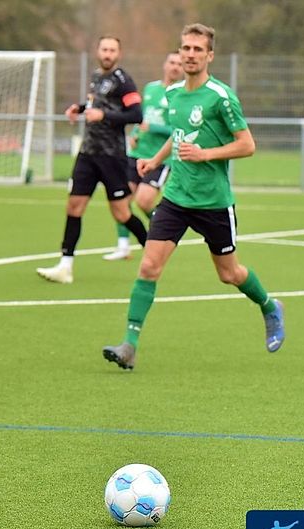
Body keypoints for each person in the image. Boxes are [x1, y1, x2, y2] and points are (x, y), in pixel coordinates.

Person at [102, 24, 285, 370]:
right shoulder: (172, 95)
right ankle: (129, 345)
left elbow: (247, 145)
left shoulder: (221, 95)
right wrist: (155, 160)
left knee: (229, 274)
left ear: (209, 56)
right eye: (185, 48)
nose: (190, 54)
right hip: (175, 197)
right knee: (149, 265)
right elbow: (179, 133)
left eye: (197, 49)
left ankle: (268, 306)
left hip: (213, 201)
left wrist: (206, 155)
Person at [36, 36, 146, 284]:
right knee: (74, 207)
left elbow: (136, 114)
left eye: (112, 50)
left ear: (119, 53)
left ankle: (151, 249)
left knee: (121, 213)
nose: (107, 53)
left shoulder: (123, 81)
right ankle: (65, 266)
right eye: (104, 49)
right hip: (88, 154)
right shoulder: (97, 76)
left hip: (112, 156)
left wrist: (103, 114)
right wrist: (80, 108)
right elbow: (97, 104)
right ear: (98, 51)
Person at [103, 52, 184, 261]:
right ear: (165, 65)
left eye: (179, 64)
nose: (175, 67)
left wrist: (154, 128)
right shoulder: (151, 89)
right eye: (172, 62)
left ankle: (163, 233)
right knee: (121, 199)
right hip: (137, 154)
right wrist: (136, 134)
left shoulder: (182, 94)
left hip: (160, 158)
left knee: (144, 201)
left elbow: (179, 130)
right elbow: (142, 118)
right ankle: (123, 246)